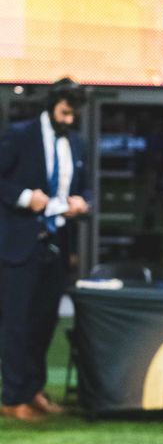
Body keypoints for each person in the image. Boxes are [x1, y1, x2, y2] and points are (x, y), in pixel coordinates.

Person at [0, 78, 89, 422]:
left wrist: (83, 204)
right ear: (52, 105)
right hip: (20, 246)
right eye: (65, 112)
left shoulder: (76, 142)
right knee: (17, 323)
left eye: (74, 114)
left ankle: (34, 390)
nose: (69, 120)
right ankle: (13, 397)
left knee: (43, 323)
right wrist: (26, 198)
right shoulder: (20, 135)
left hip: (57, 246)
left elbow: (84, 187)